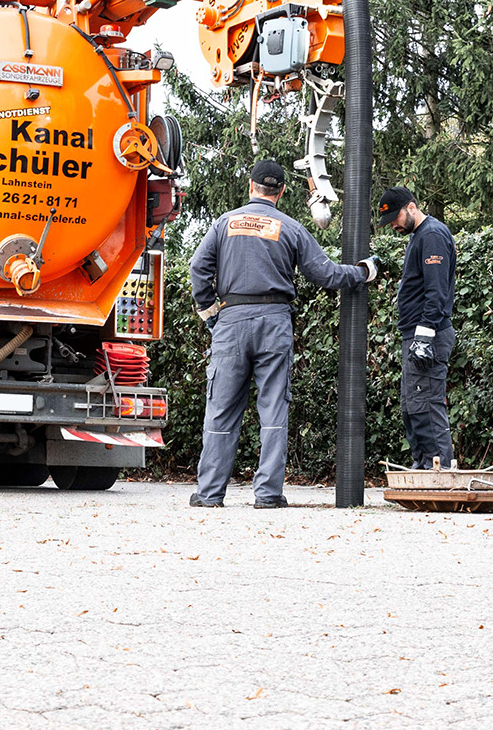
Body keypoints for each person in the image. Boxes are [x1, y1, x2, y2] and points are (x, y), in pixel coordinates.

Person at [189, 160, 377, 509]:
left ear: (250, 186)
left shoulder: (224, 224)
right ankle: (268, 495)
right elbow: (326, 274)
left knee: (220, 410)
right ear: (283, 192)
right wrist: (362, 272)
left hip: (231, 321)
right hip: (275, 323)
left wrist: (211, 313)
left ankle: (210, 494)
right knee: (274, 409)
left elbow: (198, 268)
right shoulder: (290, 228)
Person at [377, 186, 457, 469]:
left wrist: (424, 336)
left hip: (428, 335)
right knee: (413, 406)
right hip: (416, 335)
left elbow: (436, 291)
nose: (394, 226)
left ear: (411, 207)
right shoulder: (419, 236)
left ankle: (439, 469)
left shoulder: (432, 235)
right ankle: (424, 466)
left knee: (426, 405)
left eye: (395, 218)